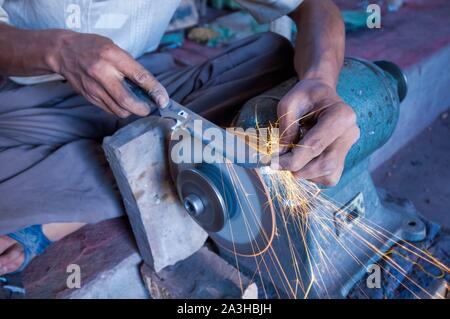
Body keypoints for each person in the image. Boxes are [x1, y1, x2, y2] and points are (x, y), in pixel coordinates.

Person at [0, 0, 359, 275]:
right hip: (22, 101)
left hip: (147, 84)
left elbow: (314, 8)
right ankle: (147, 173)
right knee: (161, 157)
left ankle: (73, 197)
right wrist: (59, 50)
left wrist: (320, 80)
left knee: (275, 63)